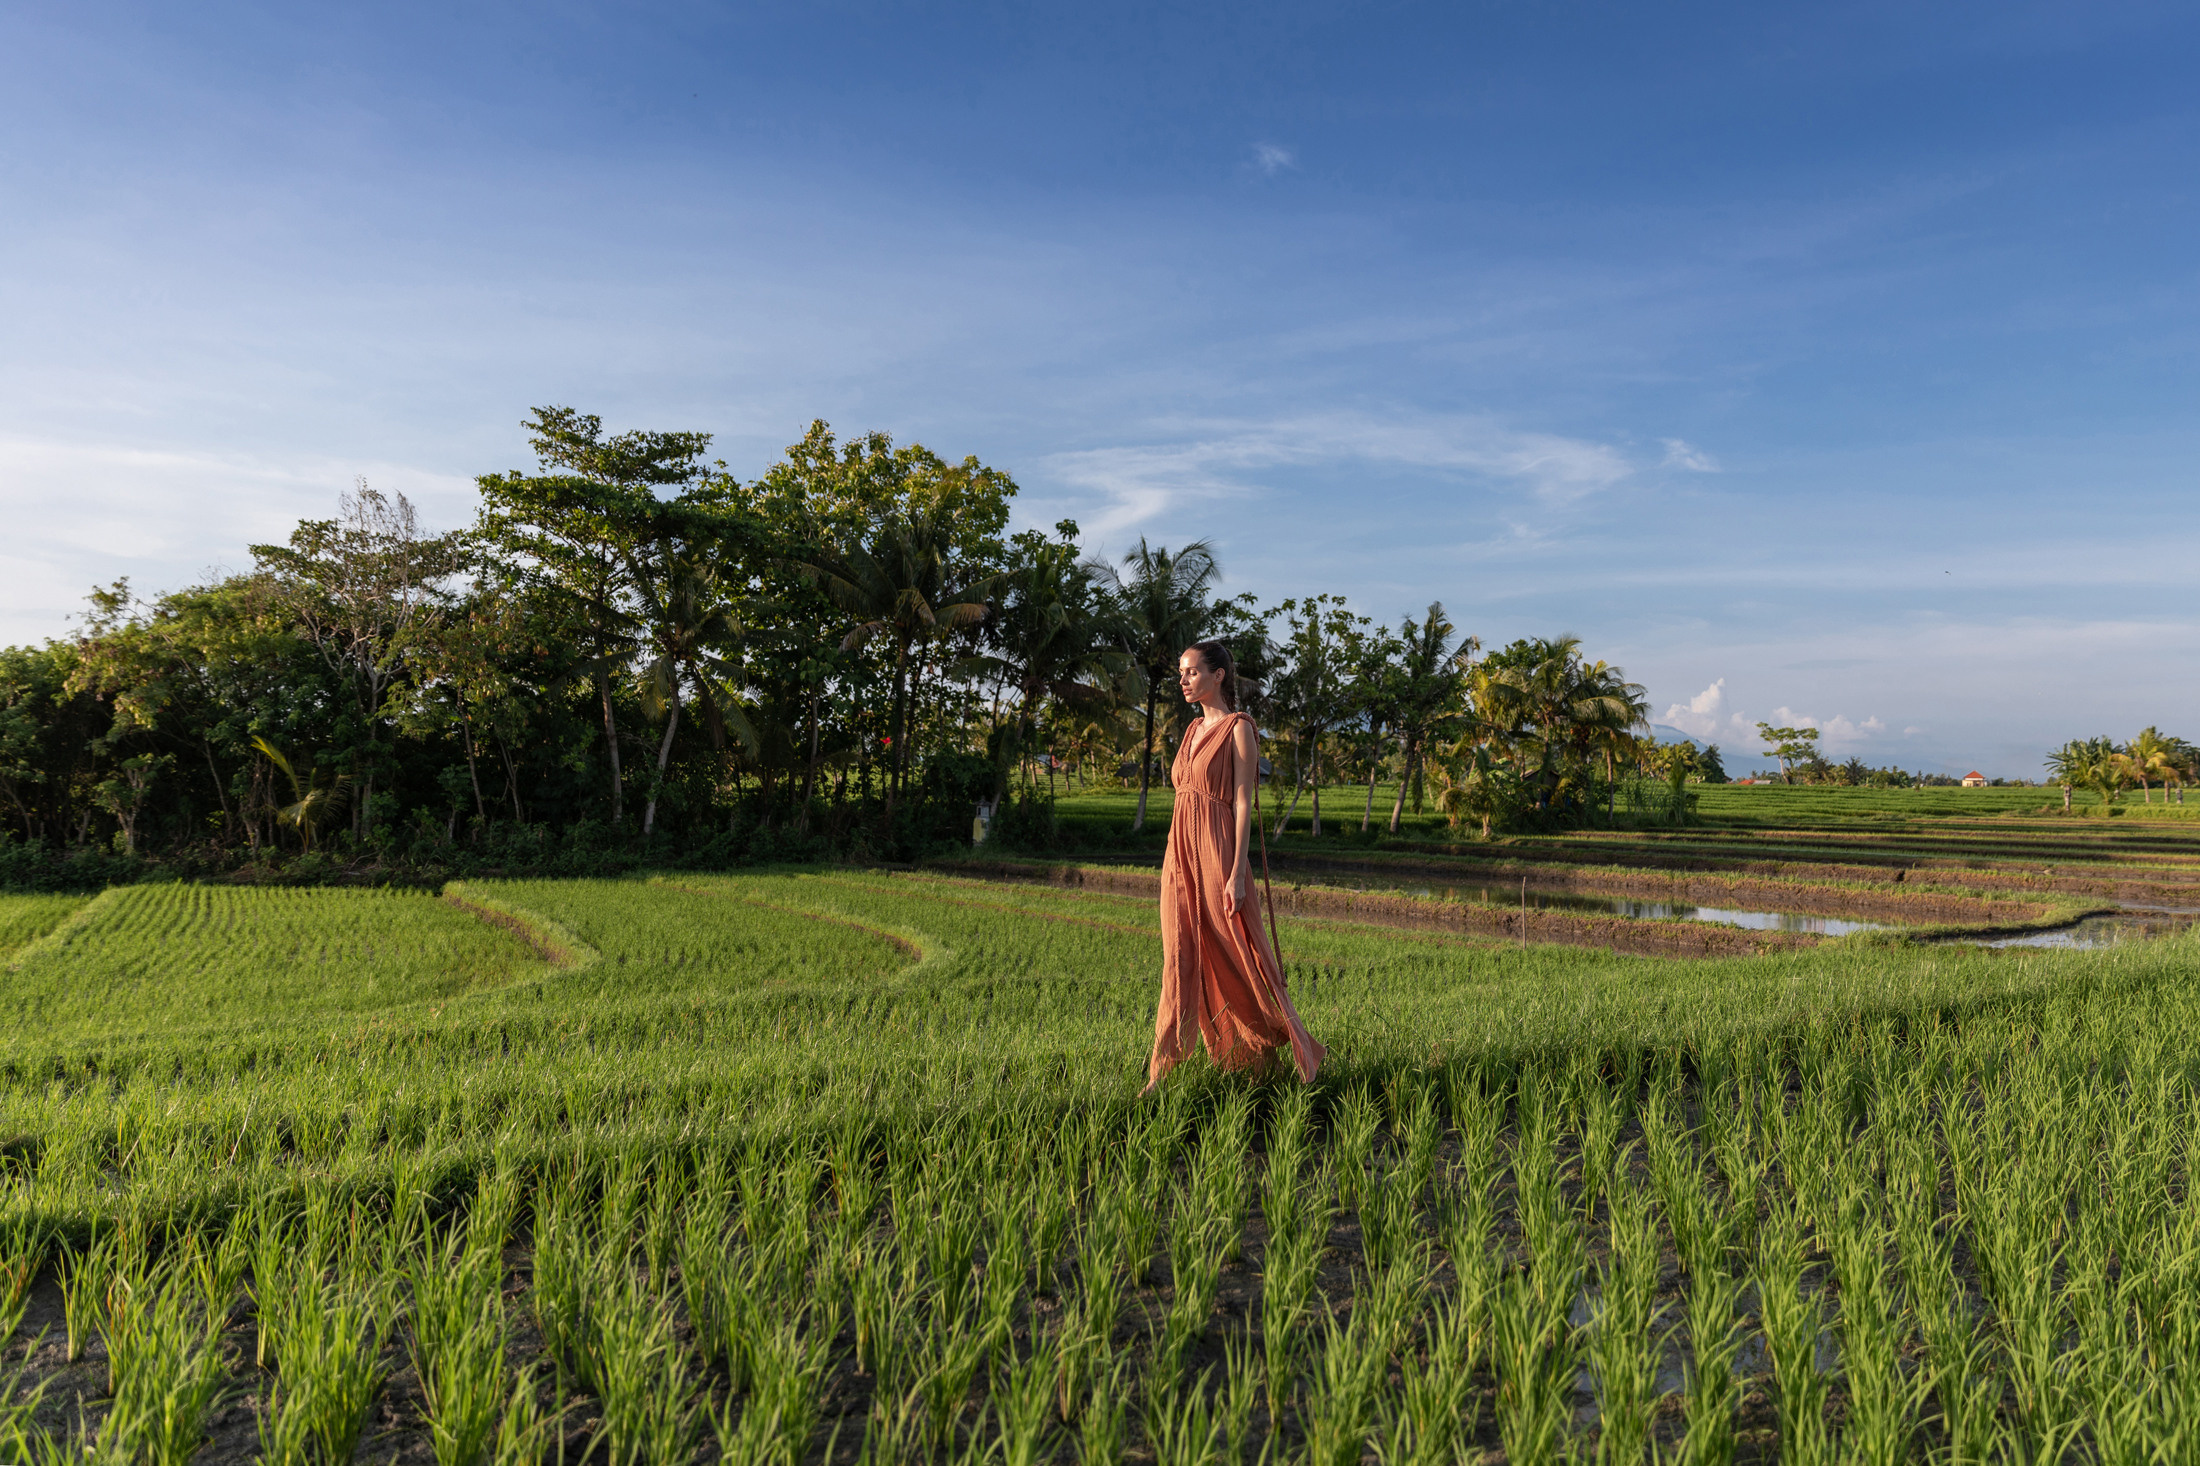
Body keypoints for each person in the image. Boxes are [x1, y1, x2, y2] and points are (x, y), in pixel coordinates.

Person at [1143, 640, 1325, 1094]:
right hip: (1179, 853)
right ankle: (1165, 1070)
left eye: (1192, 672)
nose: (1183, 680)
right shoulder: (1189, 733)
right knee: (1179, 955)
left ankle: (1266, 1053)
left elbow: (1243, 802)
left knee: (1239, 952)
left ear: (1218, 675)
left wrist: (1236, 871)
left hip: (1218, 851)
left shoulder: (1239, 728)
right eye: (1181, 673)